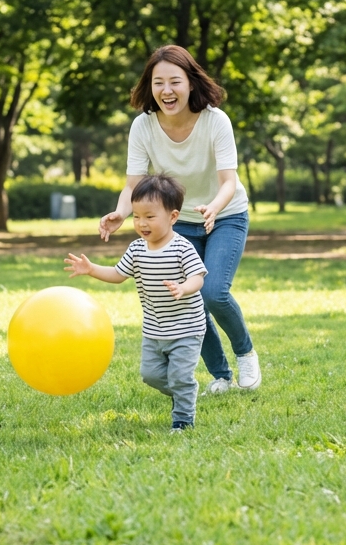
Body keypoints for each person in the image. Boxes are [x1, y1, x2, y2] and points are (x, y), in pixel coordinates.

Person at [99, 45, 260, 393]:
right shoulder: (143, 126)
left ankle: (245, 353)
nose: (167, 90)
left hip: (226, 214)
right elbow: (133, 185)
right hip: (178, 221)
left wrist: (213, 207)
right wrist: (121, 212)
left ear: (190, 82)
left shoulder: (215, 120)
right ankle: (221, 375)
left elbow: (228, 181)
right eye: (158, 82)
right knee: (187, 299)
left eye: (175, 81)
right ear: (150, 86)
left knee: (214, 292)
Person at [66, 174, 208, 431]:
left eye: (150, 216)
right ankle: (184, 391)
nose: (142, 223)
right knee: (150, 375)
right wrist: (91, 269)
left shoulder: (182, 248)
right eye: (137, 216)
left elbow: (197, 277)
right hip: (154, 329)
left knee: (180, 376)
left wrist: (183, 288)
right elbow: (118, 274)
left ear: (173, 217)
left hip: (186, 327)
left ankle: (183, 420)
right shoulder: (136, 249)